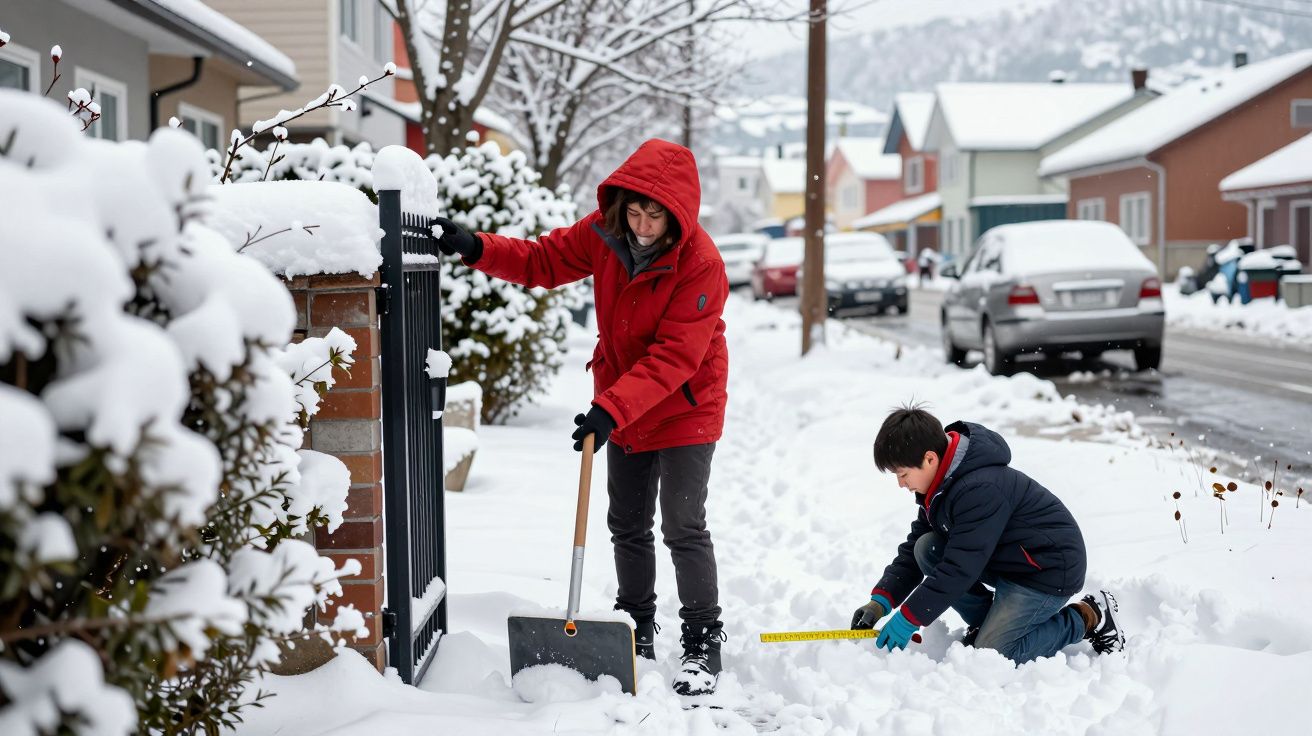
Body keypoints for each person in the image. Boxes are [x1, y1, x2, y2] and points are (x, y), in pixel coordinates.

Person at [433, 139, 729, 696]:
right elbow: (542, 261)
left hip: (687, 405)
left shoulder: (701, 265)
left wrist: (608, 409)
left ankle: (702, 640)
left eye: (654, 214)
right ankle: (635, 626)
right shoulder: (604, 233)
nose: (641, 225)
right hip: (623, 403)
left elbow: (675, 357)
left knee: (682, 526)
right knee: (627, 524)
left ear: (678, 214)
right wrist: (477, 247)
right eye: (634, 211)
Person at [850, 406, 1124, 663]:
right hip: (1008, 559)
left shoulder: (979, 488)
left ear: (929, 458)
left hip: (1047, 569)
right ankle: (986, 623)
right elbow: (915, 550)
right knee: (927, 547)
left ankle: (1089, 616)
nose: (901, 484)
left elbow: (960, 567)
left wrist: (910, 617)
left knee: (995, 656)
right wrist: (881, 601)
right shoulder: (940, 485)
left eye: (902, 474)